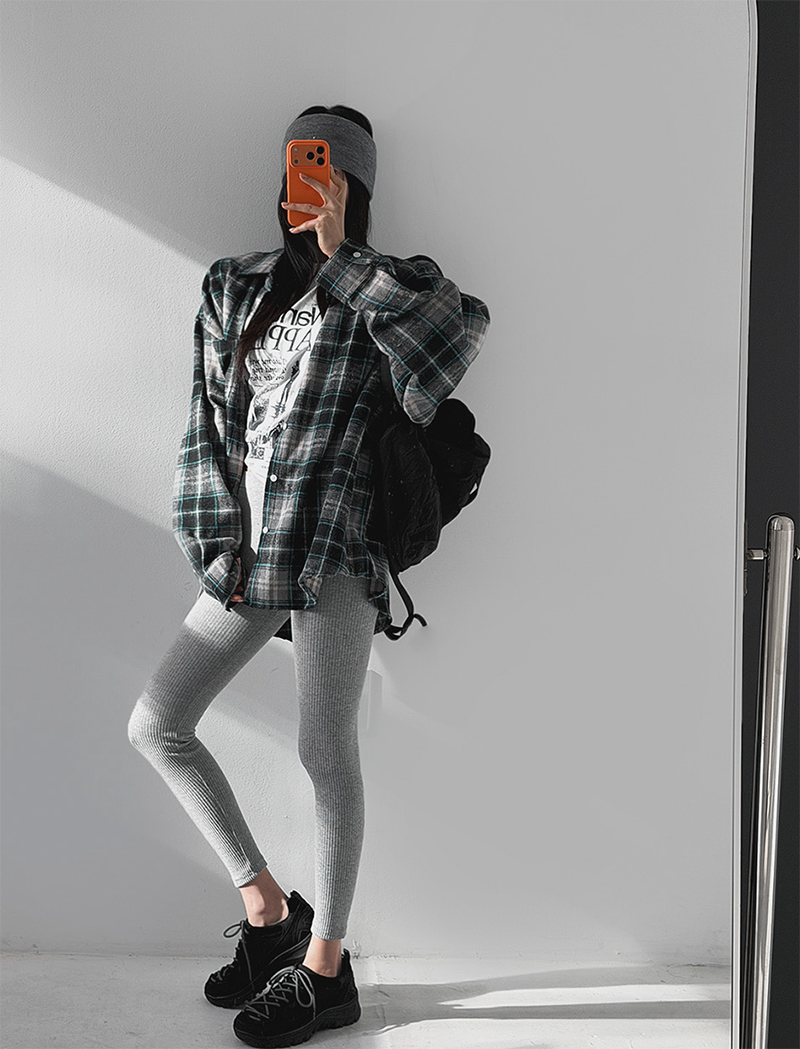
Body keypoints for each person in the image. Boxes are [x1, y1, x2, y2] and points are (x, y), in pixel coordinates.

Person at [127, 104, 490, 1048]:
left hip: (336, 548)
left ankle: (326, 969)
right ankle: (269, 914)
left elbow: (449, 346)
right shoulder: (235, 286)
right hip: (250, 554)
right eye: (297, 166)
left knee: (325, 752)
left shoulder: (394, 289)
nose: (307, 185)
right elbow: (207, 423)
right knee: (158, 723)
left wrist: (343, 258)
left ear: (354, 188)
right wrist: (215, 545)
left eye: (326, 171)